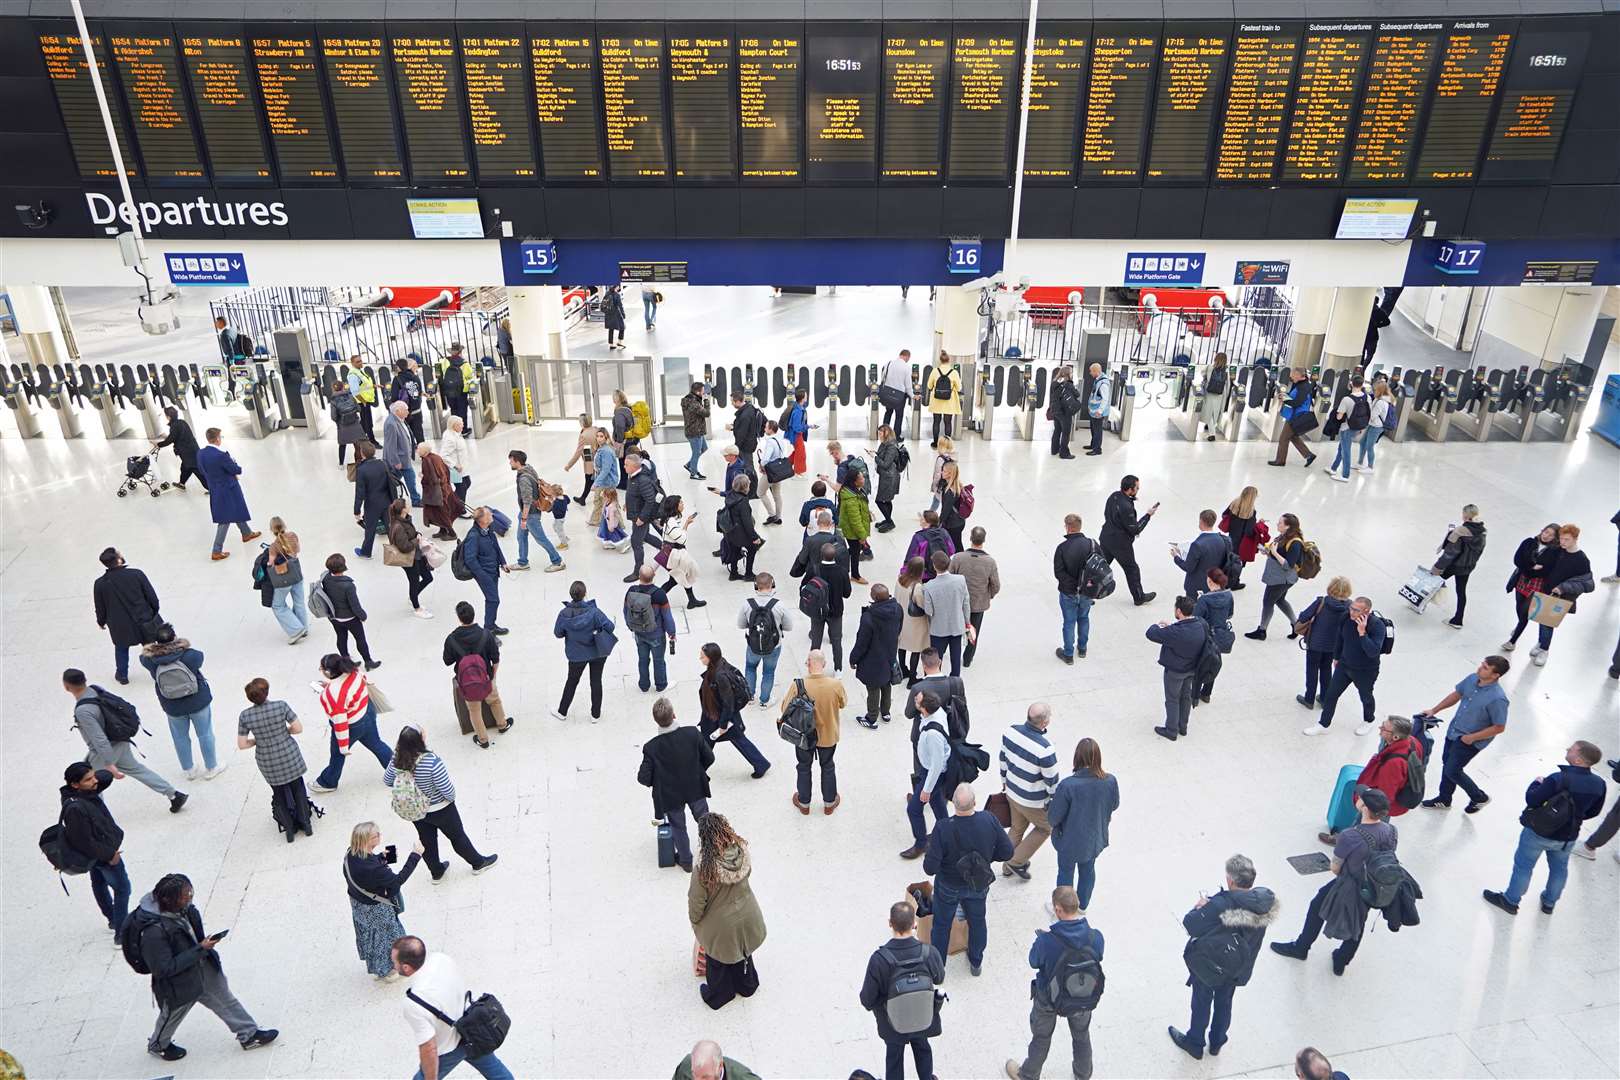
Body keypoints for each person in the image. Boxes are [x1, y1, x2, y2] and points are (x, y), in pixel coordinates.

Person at [136, 872, 278, 1061]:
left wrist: (202, 948)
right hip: (179, 982)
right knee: (173, 1014)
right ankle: (158, 1044)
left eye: (190, 892)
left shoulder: (183, 909)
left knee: (225, 998)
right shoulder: (153, 933)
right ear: (168, 899)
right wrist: (200, 949)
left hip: (201, 965)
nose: (189, 897)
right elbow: (163, 968)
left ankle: (249, 1034)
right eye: (184, 895)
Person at [1270, 789, 1395, 974]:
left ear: (1365, 808)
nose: (1358, 799)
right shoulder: (1390, 830)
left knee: (1317, 907)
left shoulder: (1350, 836)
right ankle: (1342, 959)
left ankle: (1301, 948)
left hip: (1348, 883)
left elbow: (1335, 868)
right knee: (1358, 921)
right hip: (1373, 885)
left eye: (1361, 799)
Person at [1168, 854, 1278, 1060]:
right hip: (1239, 966)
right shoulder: (1264, 902)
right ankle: (1217, 1041)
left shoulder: (1222, 904)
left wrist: (1199, 907)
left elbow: (1191, 924)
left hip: (1213, 964)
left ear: (1231, 880)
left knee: (1201, 1001)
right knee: (1225, 1001)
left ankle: (1195, 1043)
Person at [1482, 741, 1607, 915]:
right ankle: (1549, 903)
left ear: (1578, 760)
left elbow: (1532, 800)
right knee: (1559, 869)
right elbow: (1594, 811)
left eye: (1571, 749)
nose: (1567, 749)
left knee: (1523, 866)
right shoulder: (1599, 783)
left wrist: (1536, 783)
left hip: (1538, 833)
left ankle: (1510, 901)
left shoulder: (1558, 778)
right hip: (1568, 837)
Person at [1005, 885, 1104, 1080]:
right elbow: (1098, 956)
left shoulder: (1047, 941)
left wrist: (1041, 940)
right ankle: (1083, 1075)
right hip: (1082, 997)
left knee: (1041, 1038)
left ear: (1058, 909)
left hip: (1048, 998)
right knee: (1081, 1036)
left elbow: (1034, 961)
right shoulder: (1096, 937)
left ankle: (1028, 1075)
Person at [64, 668, 186, 812]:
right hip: (120, 740)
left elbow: (99, 738)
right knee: (138, 770)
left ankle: (99, 818)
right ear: (85, 680)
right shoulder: (95, 690)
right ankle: (174, 795)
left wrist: (109, 763)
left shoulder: (83, 711)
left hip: (103, 751)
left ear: (66, 686)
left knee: (89, 783)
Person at [392, 937, 514, 1079]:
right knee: (497, 1073)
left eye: (394, 962)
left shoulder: (413, 1002)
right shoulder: (440, 959)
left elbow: (429, 1048)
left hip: (450, 1047)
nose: (393, 965)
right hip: (473, 1029)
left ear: (406, 967)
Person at [386, 725, 498, 879]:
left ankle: (436, 872)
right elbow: (448, 791)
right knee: (457, 837)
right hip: (442, 809)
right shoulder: (431, 762)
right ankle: (478, 863)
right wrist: (449, 800)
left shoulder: (396, 759)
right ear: (420, 740)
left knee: (427, 842)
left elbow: (387, 780)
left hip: (417, 812)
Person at [924, 784, 1014, 975]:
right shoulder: (989, 819)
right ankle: (976, 962)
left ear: (953, 803)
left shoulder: (943, 828)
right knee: (977, 921)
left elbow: (929, 868)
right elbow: (1007, 851)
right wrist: (987, 858)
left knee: (941, 925)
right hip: (977, 884)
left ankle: (938, 967)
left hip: (948, 885)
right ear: (975, 802)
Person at [860, 899, 945, 1080]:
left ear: (890, 924)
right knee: (923, 1048)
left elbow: (867, 999)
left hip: (892, 1023)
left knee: (894, 1057)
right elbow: (939, 978)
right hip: (922, 1017)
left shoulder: (879, 960)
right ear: (914, 924)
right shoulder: (929, 952)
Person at [689, 813, 767, 1010]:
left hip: (721, 925)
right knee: (743, 952)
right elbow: (747, 874)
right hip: (749, 915)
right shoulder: (741, 852)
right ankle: (747, 985)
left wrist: (696, 921)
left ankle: (721, 994)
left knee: (718, 960)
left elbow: (697, 901)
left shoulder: (703, 867)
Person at [1419, 655, 1511, 813]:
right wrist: (1434, 710)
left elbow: (1499, 727)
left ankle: (1479, 797)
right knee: (1447, 764)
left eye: (1485, 668)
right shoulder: (1472, 679)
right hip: (1454, 731)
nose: (1480, 668)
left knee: (1452, 770)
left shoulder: (1498, 699)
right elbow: (1456, 695)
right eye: (1482, 664)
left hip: (1470, 740)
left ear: (1496, 675)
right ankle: (1444, 799)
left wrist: (1472, 738)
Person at [639, 697, 714, 872]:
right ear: (674, 715)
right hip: (695, 786)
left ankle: (686, 861)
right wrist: (696, 770)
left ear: (656, 720)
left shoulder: (651, 747)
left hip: (670, 795)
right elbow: (709, 757)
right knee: (705, 820)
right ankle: (713, 853)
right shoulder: (692, 733)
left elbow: (643, 778)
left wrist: (658, 779)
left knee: (678, 827)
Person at [1321, 715, 1424, 843]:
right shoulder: (1413, 742)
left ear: (1395, 737)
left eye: (1384, 728)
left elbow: (1385, 796)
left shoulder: (1394, 763)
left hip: (1380, 802)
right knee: (1371, 826)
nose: (1380, 728)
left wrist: (1368, 805)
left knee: (1365, 823)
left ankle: (1347, 843)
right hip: (1390, 797)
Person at [59, 761, 130, 944]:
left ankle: (113, 920)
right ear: (75, 784)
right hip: (103, 853)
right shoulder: (75, 808)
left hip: (98, 854)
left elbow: (105, 777)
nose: (95, 781)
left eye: (93, 776)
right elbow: (83, 841)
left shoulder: (85, 792)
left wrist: (97, 775)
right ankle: (121, 934)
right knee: (122, 889)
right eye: (88, 779)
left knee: (98, 883)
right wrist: (110, 855)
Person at [138, 623, 221, 781]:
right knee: (205, 734)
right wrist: (182, 646)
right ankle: (211, 767)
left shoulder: (149, 660)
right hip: (198, 701)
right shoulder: (190, 656)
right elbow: (200, 655)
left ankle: (188, 770)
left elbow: (142, 656)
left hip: (172, 705)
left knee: (180, 737)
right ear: (174, 638)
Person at [1048, 737, 1119, 907]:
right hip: (1094, 838)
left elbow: (1053, 818)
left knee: (1065, 873)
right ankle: (1082, 906)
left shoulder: (1068, 786)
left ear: (1077, 758)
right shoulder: (1110, 780)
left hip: (1068, 841)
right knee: (1087, 870)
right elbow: (1114, 804)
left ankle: (1064, 909)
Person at [236, 678, 311, 840]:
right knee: (298, 789)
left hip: (267, 759)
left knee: (278, 794)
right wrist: (284, 732)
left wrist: (257, 740)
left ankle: (289, 830)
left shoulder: (245, 716)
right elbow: (298, 728)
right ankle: (306, 823)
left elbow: (242, 744)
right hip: (289, 754)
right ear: (267, 692)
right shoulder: (281, 706)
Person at [344, 822, 420, 978]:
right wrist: (415, 855)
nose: (379, 836)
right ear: (366, 840)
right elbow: (397, 881)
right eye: (376, 836)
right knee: (388, 939)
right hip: (377, 910)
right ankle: (388, 971)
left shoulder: (349, 854)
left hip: (359, 906)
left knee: (372, 938)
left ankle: (379, 967)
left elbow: (367, 871)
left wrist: (383, 857)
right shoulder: (374, 869)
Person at [310, 654, 392, 793]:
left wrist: (343, 747)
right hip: (367, 711)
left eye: (321, 668)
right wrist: (331, 684)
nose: (321, 670)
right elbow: (351, 685)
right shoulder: (354, 671)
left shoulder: (331, 694)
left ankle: (328, 782)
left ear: (328, 672)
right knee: (376, 743)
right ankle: (397, 770)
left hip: (352, 725)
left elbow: (340, 721)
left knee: (337, 755)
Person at [1304, 596, 1385, 737]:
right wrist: (1336, 656)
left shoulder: (1377, 625)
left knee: (1365, 696)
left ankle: (1369, 720)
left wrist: (1362, 632)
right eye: (1351, 608)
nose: (1352, 612)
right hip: (1344, 665)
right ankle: (1323, 724)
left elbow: (1373, 651)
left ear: (1366, 611)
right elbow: (1340, 638)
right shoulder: (1345, 618)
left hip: (1365, 670)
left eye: (1356, 610)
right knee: (1331, 695)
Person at [998, 703, 1061, 881]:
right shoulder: (1045, 749)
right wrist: (1053, 803)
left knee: (1017, 828)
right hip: (1033, 801)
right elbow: (1052, 782)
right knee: (1045, 828)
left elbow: (1002, 760)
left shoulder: (1011, 732)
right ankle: (1015, 862)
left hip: (1012, 791)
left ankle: (1006, 867)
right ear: (1045, 722)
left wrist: (1004, 782)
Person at [780, 649, 847, 814]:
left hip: (804, 736)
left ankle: (804, 804)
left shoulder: (798, 684)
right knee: (828, 766)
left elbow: (784, 708)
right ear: (824, 664)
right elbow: (843, 703)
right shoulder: (835, 685)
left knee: (803, 766)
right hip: (828, 736)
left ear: (808, 664)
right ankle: (829, 803)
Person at [442, 601, 513, 748]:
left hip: (467, 683)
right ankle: (502, 725)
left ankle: (483, 740)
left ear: (459, 618)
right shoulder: (486, 635)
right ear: (474, 615)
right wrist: (492, 677)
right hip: (486, 678)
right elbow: (496, 659)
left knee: (474, 710)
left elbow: (447, 661)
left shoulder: (451, 639)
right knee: (495, 701)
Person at [1522, 524, 1594, 666]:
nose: (1562, 542)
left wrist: (1563, 587)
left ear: (1575, 539)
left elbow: (1588, 584)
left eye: (1566, 539)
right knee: (1542, 619)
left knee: (1548, 623)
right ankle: (1541, 643)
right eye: (1561, 539)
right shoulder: (1558, 550)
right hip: (1547, 590)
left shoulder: (1582, 560)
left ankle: (1544, 649)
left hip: (1561, 597)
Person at [698, 642, 772, 776]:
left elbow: (728, 702)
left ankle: (697, 770)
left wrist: (723, 724)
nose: (700, 658)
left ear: (711, 657)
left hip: (721, 716)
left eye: (702, 656)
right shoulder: (719, 664)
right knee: (734, 739)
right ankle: (760, 763)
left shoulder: (720, 676)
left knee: (712, 740)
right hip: (717, 713)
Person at [551, 579, 617, 722]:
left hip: (576, 655)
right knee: (596, 681)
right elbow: (610, 627)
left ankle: (562, 712)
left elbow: (558, 634)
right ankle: (595, 715)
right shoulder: (594, 612)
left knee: (572, 681)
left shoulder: (563, 614)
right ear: (585, 594)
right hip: (597, 652)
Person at [94, 547, 160, 684]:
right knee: (150, 646)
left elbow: (100, 607)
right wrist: (153, 612)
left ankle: (122, 675)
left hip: (119, 625)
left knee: (121, 648)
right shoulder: (136, 574)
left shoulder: (100, 584)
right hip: (143, 619)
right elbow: (151, 596)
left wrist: (101, 621)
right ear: (119, 559)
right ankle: (157, 671)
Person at [900, 690, 952, 859]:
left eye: (918, 700)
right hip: (928, 770)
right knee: (937, 804)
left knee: (913, 809)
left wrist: (926, 789)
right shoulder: (936, 713)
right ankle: (947, 834)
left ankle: (921, 844)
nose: (915, 699)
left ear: (924, 709)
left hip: (932, 774)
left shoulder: (933, 734)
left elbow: (936, 766)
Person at [1146, 597, 1207, 741]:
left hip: (1175, 671)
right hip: (1192, 669)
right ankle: (1183, 727)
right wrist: (1173, 625)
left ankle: (1171, 730)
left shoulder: (1175, 631)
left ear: (1179, 611)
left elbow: (1151, 633)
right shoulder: (1200, 625)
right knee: (1186, 697)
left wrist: (1160, 625)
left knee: (1172, 699)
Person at [196, 428, 261, 560]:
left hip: (215, 488)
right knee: (224, 519)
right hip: (229, 489)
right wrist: (235, 463)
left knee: (235, 509)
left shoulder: (201, 453)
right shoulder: (222, 455)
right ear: (218, 439)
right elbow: (236, 470)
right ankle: (216, 550)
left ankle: (246, 533)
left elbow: (202, 471)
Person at [1294, 575, 1352, 709]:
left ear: (1331, 588)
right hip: (1334, 645)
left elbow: (1304, 616)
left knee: (1312, 669)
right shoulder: (1350, 606)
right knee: (1326, 669)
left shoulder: (1322, 602)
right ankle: (1324, 698)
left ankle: (1309, 699)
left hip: (1315, 642)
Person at [1099, 476, 1157, 606]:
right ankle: (1139, 597)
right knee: (1132, 569)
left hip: (1106, 536)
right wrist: (1148, 515)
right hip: (1120, 544)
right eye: (1137, 488)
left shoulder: (1114, 496)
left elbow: (1108, 514)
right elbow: (1135, 529)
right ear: (1130, 489)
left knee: (1100, 567)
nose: (1138, 490)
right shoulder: (1126, 506)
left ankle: (1084, 592)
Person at [851, 583, 904, 729]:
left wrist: (853, 659)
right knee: (886, 684)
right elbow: (899, 629)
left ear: (874, 597)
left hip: (872, 660)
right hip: (889, 655)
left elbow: (862, 642)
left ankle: (871, 718)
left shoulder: (869, 617)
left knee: (873, 688)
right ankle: (886, 713)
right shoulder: (898, 609)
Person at [1247, 513, 1306, 639]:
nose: (1277, 524)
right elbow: (1280, 555)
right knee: (1279, 600)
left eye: (1280, 523)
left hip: (1281, 579)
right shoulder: (1284, 536)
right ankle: (1296, 625)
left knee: (1268, 602)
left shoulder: (1295, 543)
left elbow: (1288, 565)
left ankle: (1262, 630)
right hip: (1279, 577)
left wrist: (1273, 552)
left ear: (1288, 526)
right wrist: (1268, 552)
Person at [739, 572, 794, 708]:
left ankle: (749, 696)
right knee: (768, 672)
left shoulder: (747, 604)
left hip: (753, 645)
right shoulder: (779, 605)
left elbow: (740, 624)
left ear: (755, 586)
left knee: (750, 668)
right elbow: (789, 627)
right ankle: (764, 701)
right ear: (772, 585)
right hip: (773, 646)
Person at [1504, 523, 1561, 652]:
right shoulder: (1529, 542)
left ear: (1555, 538)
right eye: (1546, 532)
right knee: (1519, 607)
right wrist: (1531, 567)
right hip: (1522, 581)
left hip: (1537, 585)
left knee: (1525, 613)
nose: (1547, 536)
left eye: (1551, 535)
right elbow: (1518, 560)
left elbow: (1547, 570)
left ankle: (1513, 641)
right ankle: (1519, 626)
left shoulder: (1554, 551)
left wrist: (1529, 567)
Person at [505, 450, 564, 572]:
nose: (509, 463)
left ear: (517, 461)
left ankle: (557, 561)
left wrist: (524, 519)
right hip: (528, 512)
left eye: (511, 461)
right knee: (521, 537)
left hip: (530, 514)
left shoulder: (523, 479)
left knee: (541, 539)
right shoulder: (529, 468)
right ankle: (522, 562)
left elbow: (527, 501)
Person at [319, 553, 381, 668]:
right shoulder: (348, 586)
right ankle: (368, 662)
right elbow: (355, 606)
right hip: (350, 618)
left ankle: (346, 663)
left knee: (341, 638)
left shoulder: (326, 579)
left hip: (334, 617)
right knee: (360, 639)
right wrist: (363, 616)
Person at [1051, 514, 1098, 665]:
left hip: (1068, 592)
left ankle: (1068, 654)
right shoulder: (1092, 544)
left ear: (1068, 527)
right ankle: (1082, 648)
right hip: (1087, 591)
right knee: (1084, 618)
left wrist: (1072, 585)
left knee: (1069, 622)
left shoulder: (1062, 548)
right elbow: (1101, 567)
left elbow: (1059, 572)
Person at [1433, 504, 1487, 628]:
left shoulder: (1459, 532)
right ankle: (1458, 619)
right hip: (1467, 567)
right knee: (1461, 591)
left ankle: (1419, 603)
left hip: (1454, 565)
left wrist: (1437, 568)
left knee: (1433, 581)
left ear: (1465, 516)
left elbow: (1449, 554)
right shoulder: (1482, 533)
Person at [625, 565, 677, 693]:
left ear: (639, 576)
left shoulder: (631, 591)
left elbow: (625, 611)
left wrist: (630, 626)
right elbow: (667, 616)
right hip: (656, 634)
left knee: (642, 660)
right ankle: (661, 685)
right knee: (658, 661)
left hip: (638, 633)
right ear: (654, 576)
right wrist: (672, 633)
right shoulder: (659, 594)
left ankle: (644, 685)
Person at [921, 550, 972, 677]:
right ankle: (955, 681)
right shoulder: (960, 580)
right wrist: (967, 622)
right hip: (957, 625)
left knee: (936, 659)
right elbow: (966, 603)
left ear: (934, 566)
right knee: (956, 658)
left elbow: (929, 611)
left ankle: (935, 680)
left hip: (938, 629)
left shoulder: (928, 586)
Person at [806, 541, 854, 671]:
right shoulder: (842, 571)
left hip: (817, 611)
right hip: (836, 611)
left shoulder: (814, 569)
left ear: (821, 555)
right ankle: (838, 669)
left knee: (816, 642)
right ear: (835, 556)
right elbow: (847, 593)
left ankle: (813, 668)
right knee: (837, 641)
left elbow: (805, 587)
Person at [462, 507, 510, 635]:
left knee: (492, 600)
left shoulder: (488, 530)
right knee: (493, 600)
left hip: (493, 570)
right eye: (489, 514)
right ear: (482, 519)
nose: (492, 515)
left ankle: (491, 625)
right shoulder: (473, 536)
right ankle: (488, 629)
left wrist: (503, 562)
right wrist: (482, 576)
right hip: (485, 574)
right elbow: (470, 560)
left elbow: (496, 547)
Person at [386, 500, 436, 620]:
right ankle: (416, 607)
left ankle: (413, 596)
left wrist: (417, 535)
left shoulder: (405, 519)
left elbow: (410, 534)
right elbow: (404, 547)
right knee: (414, 581)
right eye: (407, 505)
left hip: (416, 555)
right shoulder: (398, 526)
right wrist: (417, 540)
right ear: (403, 509)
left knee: (428, 577)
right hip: (408, 559)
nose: (409, 506)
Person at [264, 518, 310, 643]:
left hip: (283, 578)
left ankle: (296, 630)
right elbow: (297, 550)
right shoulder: (293, 536)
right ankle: (304, 628)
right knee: (299, 602)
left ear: (271, 530)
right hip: (296, 574)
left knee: (278, 605)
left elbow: (270, 563)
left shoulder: (274, 546)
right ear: (284, 525)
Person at [656, 495, 706, 608]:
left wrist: (686, 523)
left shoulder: (671, 520)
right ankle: (654, 599)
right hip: (674, 556)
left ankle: (692, 600)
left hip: (673, 554)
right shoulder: (671, 522)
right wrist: (686, 527)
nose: (683, 504)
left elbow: (678, 535)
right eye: (681, 503)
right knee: (675, 579)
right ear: (675, 506)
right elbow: (682, 539)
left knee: (680, 577)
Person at [1192, 569, 1234, 704]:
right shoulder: (1229, 595)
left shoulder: (1204, 599)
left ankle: (1195, 694)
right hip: (1220, 635)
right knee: (1213, 664)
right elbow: (1230, 614)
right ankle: (1207, 693)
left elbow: (1197, 618)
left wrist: (1198, 601)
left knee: (1200, 666)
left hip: (1205, 636)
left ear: (1210, 581)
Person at [1267, 367, 1318, 468]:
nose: (1291, 377)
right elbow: (1294, 397)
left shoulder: (1303, 387)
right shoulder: (1301, 384)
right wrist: (1286, 396)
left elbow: (1297, 402)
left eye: (1293, 375)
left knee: (1283, 438)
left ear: (1299, 375)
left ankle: (1280, 461)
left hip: (1296, 416)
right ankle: (1309, 455)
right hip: (1295, 415)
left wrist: (1284, 399)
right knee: (1293, 437)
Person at [1324, 374, 1370, 482]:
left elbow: (1339, 416)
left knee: (1346, 451)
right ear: (1362, 384)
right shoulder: (1366, 397)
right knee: (1342, 448)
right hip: (1358, 427)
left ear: (1351, 383)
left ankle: (1345, 475)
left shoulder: (1347, 399)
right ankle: (1333, 468)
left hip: (1347, 428)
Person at [352, 440, 393, 560]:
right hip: (386, 501)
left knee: (370, 529)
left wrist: (357, 510)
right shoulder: (383, 464)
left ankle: (366, 552)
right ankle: (397, 549)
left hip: (372, 504)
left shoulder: (362, 470)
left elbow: (360, 492)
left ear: (362, 454)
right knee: (391, 527)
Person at [1171, 509, 1226, 599]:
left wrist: (1176, 557)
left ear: (1201, 521)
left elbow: (1188, 567)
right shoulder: (1222, 540)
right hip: (1214, 583)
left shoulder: (1197, 545)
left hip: (1197, 586)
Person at [623, 453, 661, 580]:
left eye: (626, 465)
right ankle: (666, 549)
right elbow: (633, 493)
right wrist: (627, 503)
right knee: (645, 536)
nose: (624, 467)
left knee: (636, 541)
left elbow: (650, 500)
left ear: (634, 466)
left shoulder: (642, 480)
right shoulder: (632, 476)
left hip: (641, 516)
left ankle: (638, 571)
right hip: (636, 513)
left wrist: (642, 518)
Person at [896, 556, 933, 684]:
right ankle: (912, 678)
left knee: (902, 646)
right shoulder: (917, 587)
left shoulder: (900, 579)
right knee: (916, 649)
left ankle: (902, 669)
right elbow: (923, 605)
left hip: (901, 619)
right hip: (915, 623)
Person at [720, 474, 763, 581]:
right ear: (745, 487)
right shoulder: (743, 502)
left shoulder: (730, 495)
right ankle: (748, 574)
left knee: (735, 550)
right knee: (752, 549)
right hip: (740, 533)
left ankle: (733, 573)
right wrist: (755, 538)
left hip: (730, 531)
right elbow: (747, 523)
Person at [415, 443, 462, 541]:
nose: (417, 450)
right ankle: (443, 530)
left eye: (419, 449)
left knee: (441, 512)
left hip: (436, 493)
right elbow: (446, 471)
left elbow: (432, 479)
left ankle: (452, 533)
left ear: (425, 451)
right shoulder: (436, 457)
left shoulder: (427, 461)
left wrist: (422, 477)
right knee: (438, 511)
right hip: (444, 488)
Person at [384, 402, 423, 507]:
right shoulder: (391, 424)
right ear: (398, 411)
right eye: (405, 410)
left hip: (404, 459)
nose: (408, 411)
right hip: (399, 460)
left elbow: (407, 434)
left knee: (404, 479)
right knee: (403, 479)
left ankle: (414, 499)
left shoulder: (400, 420)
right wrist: (396, 461)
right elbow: (390, 445)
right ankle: (414, 499)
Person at [153, 406, 203, 490]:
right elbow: (177, 436)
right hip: (193, 449)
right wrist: (166, 436)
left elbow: (170, 440)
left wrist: (158, 444)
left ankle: (211, 488)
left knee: (195, 469)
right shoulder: (182, 422)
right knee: (185, 468)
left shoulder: (174, 426)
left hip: (187, 453)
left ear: (168, 417)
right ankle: (182, 483)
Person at [1219, 487, 1259, 590]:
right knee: (1238, 564)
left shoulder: (1234, 504)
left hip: (1231, 539)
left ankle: (1222, 579)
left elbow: (1224, 514)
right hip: (1243, 543)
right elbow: (1249, 532)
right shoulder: (1251, 512)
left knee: (1228, 560)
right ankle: (1234, 583)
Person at [839, 470, 874, 584]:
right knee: (855, 553)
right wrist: (862, 536)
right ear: (855, 482)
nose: (864, 479)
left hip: (854, 530)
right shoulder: (851, 499)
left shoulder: (855, 492)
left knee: (855, 550)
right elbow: (855, 520)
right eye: (861, 478)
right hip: (852, 531)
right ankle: (855, 575)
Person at [923, 350, 962, 447]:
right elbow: (959, 388)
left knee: (936, 421)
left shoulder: (935, 371)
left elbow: (929, 386)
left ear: (940, 360)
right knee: (948, 422)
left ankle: (935, 443)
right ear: (949, 360)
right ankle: (947, 444)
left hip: (937, 401)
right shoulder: (954, 372)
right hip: (949, 401)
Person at [903, 509, 955, 579]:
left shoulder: (918, 537)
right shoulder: (944, 532)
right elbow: (952, 550)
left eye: (922, 518)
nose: (920, 519)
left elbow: (911, 556)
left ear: (927, 522)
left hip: (925, 574)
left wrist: (904, 571)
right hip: (942, 571)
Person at [1356, 379, 1394, 472]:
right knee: (1362, 442)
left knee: (1369, 446)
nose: (1374, 390)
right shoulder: (1380, 399)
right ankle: (1360, 463)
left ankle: (1370, 467)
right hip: (1373, 425)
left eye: (1375, 389)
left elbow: (1372, 416)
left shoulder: (1381, 402)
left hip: (1376, 427)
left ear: (1379, 390)